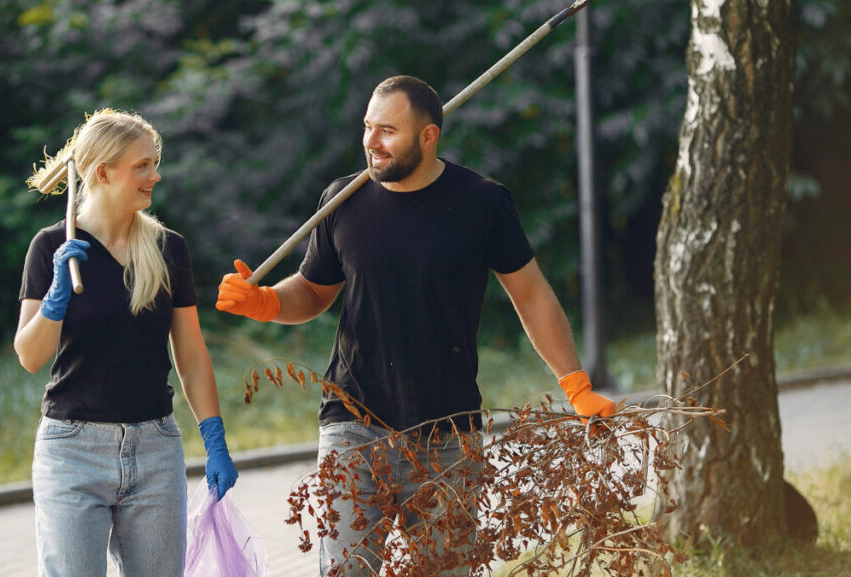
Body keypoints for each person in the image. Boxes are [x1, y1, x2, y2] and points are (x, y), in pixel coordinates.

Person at [216, 76, 616, 575]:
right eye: (367, 127)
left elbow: (531, 296)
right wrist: (265, 302)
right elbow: (315, 290)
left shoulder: (483, 203)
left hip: (448, 435)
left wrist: (576, 385)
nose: (371, 142)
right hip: (354, 426)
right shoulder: (343, 200)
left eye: (387, 130)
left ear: (428, 137)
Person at [15, 109, 238, 577]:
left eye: (154, 163)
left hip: (155, 448)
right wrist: (54, 300)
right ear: (102, 172)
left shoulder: (168, 250)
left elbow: (192, 355)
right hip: (71, 451)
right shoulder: (52, 247)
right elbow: (30, 357)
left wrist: (215, 439)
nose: (155, 175)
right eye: (143, 165)